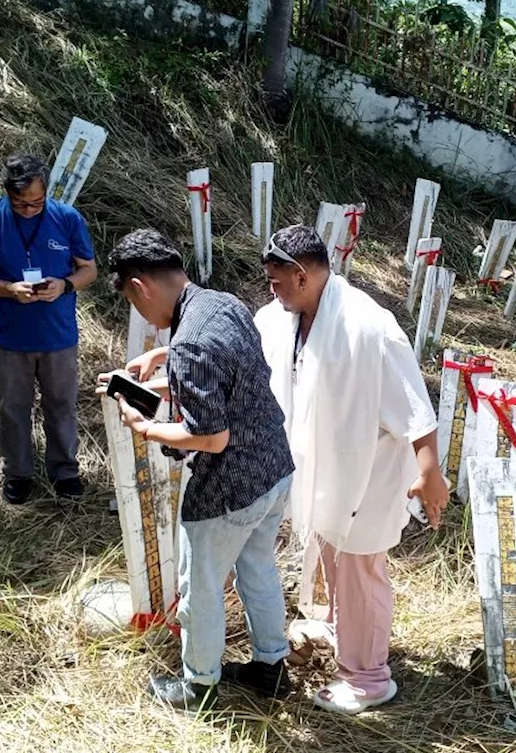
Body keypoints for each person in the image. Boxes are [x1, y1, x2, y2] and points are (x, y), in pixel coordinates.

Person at [255, 223, 450, 714]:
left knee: (361, 569)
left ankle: (368, 678)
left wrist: (430, 472)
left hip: (368, 473)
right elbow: (243, 349)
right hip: (322, 468)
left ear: (302, 275)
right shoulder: (285, 317)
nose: (270, 291)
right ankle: (347, 637)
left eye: (277, 281)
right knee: (329, 553)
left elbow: (413, 406)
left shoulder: (369, 327)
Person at [102, 228, 296, 712]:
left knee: (202, 586)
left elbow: (210, 437)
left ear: (140, 287)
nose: (140, 311)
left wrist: (143, 425)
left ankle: (198, 684)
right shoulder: (222, 302)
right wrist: (161, 359)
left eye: (132, 300)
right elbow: (220, 372)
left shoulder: (190, 343)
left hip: (229, 489)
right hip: (273, 467)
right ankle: (272, 667)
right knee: (258, 569)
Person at [0, 153, 97, 505]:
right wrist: (8, 289)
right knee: (12, 408)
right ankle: (18, 474)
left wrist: (64, 285)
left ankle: (65, 472)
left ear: (46, 193)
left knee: (62, 405)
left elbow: (89, 269)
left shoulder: (67, 218)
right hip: (8, 335)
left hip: (58, 334)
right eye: (20, 204)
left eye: (36, 203)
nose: (29, 210)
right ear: (6, 193)